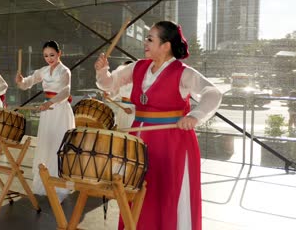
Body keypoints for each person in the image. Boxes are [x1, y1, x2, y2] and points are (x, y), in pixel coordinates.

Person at [95, 21, 222, 230]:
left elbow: (213, 93)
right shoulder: (137, 67)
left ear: (166, 45)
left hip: (172, 142)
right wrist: (103, 72)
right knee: (137, 192)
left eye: (150, 39)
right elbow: (109, 84)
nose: (145, 43)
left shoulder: (183, 72)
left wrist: (195, 115)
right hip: (139, 139)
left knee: (167, 194)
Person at [15, 40, 74, 202]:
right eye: (46, 56)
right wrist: (20, 81)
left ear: (59, 53)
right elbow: (27, 84)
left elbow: (65, 91)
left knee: (58, 145)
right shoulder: (43, 71)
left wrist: (50, 102)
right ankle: (45, 183)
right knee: (46, 144)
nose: (49, 58)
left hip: (60, 111)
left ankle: (59, 186)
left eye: (52, 55)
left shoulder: (65, 71)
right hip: (47, 113)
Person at [106, 60, 135, 129]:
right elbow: (113, 96)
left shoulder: (139, 81)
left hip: (135, 110)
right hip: (123, 109)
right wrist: (108, 95)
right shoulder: (120, 82)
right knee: (121, 130)